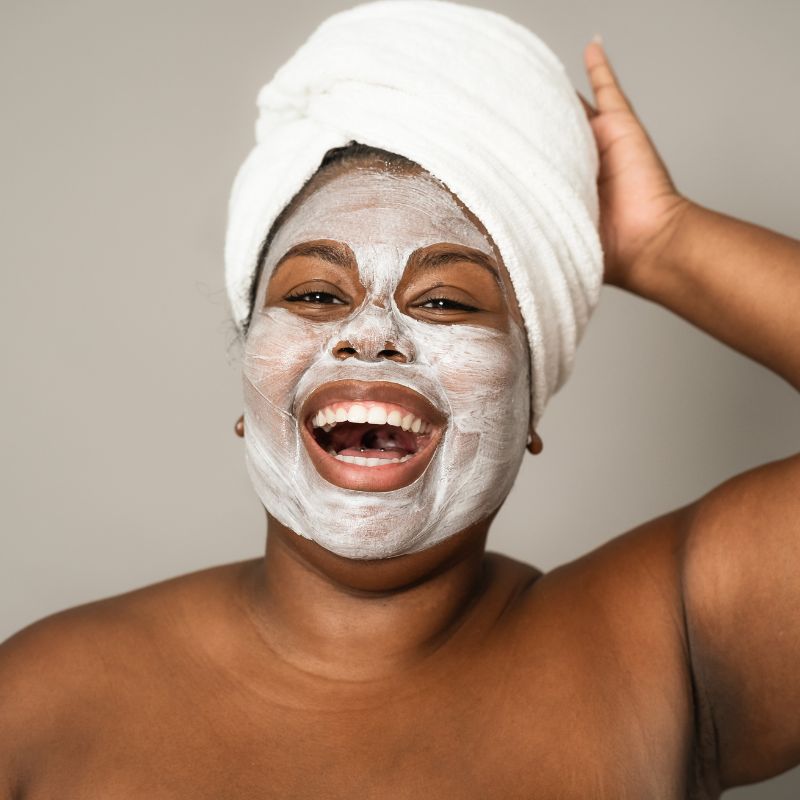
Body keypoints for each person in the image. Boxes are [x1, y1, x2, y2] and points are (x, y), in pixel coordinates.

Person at [1, 19, 798, 800]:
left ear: (529, 401)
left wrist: (664, 242)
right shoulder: (35, 699)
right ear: (248, 384)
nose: (371, 334)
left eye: (447, 301)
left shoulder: (665, 650)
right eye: (315, 293)